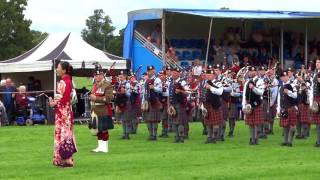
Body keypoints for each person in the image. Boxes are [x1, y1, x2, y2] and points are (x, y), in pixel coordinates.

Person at [49, 61, 77, 167]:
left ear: (64, 70)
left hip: (62, 114)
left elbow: (62, 99)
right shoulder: (69, 81)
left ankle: (64, 159)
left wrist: (53, 103)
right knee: (66, 135)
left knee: (61, 136)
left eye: (58, 67)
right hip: (67, 112)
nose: (56, 69)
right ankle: (65, 158)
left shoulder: (63, 82)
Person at [89, 63, 114, 152]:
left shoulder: (107, 85)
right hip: (95, 110)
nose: (96, 77)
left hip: (103, 110)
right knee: (97, 129)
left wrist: (96, 98)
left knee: (104, 129)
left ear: (102, 75)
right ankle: (100, 147)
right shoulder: (95, 85)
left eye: (98, 75)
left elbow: (108, 99)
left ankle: (105, 148)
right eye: (95, 75)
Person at [242, 66, 265, 145]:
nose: (251, 73)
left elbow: (261, 92)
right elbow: (244, 94)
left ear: (256, 72)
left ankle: (256, 139)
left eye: (253, 71)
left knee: (256, 123)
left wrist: (254, 88)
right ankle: (251, 138)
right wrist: (243, 105)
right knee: (250, 123)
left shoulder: (260, 81)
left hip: (257, 104)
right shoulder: (247, 82)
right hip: (248, 104)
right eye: (250, 71)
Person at [277, 71, 298, 147]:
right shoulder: (280, 87)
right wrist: (278, 109)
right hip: (283, 108)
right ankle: (285, 141)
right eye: (282, 77)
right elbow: (279, 99)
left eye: (285, 76)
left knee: (292, 125)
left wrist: (288, 92)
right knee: (285, 126)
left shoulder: (292, 84)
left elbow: (295, 95)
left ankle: (290, 141)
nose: (284, 78)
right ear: (281, 78)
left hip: (291, 107)